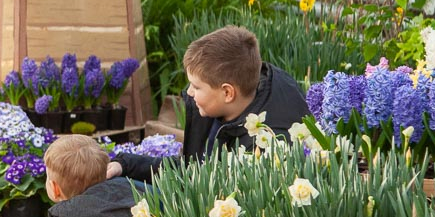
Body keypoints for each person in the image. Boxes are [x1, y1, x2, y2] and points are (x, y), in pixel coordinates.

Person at [109, 25, 310, 182]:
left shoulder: (267, 146)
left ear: (227, 92)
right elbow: (192, 169)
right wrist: (126, 164)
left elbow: (205, 188)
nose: (188, 92)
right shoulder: (222, 105)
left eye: (196, 87)